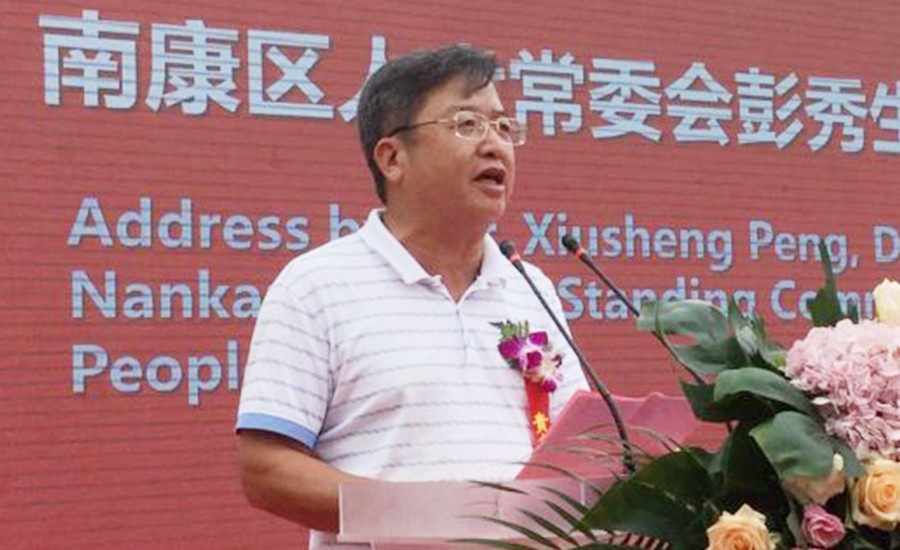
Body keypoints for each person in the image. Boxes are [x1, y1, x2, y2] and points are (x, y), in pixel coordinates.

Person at [235, 44, 588, 547]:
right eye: (467, 124)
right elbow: (266, 470)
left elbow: (582, 446)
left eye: (503, 126)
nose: (495, 145)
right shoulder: (316, 285)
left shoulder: (530, 286)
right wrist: (436, 520)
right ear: (393, 158)